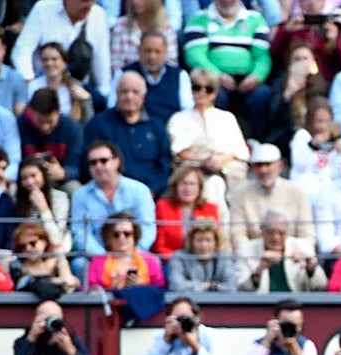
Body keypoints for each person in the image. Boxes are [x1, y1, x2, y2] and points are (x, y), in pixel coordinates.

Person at [181, 0, 273, 135]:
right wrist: (217, 75)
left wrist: (256, 76)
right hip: (213, 79)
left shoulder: (256, 19)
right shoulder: (199, 18)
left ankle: (256, 141)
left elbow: (263, 57)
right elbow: (194, 55)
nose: (227, 1)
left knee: (263, 95)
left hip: (247, 79)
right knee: (211, 94)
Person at [165, 67, 250, 204]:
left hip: (225, 165)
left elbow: (240, 151)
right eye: (197, 87)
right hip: (193, 165)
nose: (202, 92)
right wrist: (203, 160)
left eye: (208, 89)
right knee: (211, 185)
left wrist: (220, 160)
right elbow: (178, 152)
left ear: (215, 93)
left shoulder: (227, 117)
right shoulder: (179, 118)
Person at [81, 70, 173, 197]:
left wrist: (151, 190)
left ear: (143, 96)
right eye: (124, 91)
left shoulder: (156, 126)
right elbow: (89, 163)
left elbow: (164, 165)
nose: (129, 96)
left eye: (135, 92)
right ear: (117, 94)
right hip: (109, 194)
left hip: (151, 196)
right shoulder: (98, 124)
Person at [70, 140, 157, 265]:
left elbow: (148, 227)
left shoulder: (140, 190)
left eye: (104, 160)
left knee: (154, 262)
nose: (98, 166)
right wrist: (104, 258)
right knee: (79, 265)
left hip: (134, 254)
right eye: (93, 163)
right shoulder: (80, 195)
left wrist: (132, 253)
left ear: (117, 162)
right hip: (97, 256)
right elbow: (81, 233)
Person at [13, 0, 112, 104]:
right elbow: (21, 51)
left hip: (78, 93)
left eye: (92, 1)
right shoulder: (43, 9)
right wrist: (31, 85)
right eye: (83, 1)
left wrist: (102, 97)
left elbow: (102, 65)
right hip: (43, 89)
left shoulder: (99, 15)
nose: (89, 6)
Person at [228, 142, 316, 250]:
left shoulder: (296, 192)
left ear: (280, 166)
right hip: (254, 256)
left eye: (268, 164)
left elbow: (307, 234)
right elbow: (238, 234)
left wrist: (292, 252)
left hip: (292, 255)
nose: (263, 170)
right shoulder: (241, 193)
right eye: (258, 165)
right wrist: (254, 254)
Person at [239, 209, 327, 292]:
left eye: (281, 233)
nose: (275, 237)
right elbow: (240, 288)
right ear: (262, 230)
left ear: (288, 232)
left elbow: (321, 285)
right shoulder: (247, 249)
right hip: (262, 304)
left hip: (294, 303)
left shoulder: (303, 246)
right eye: (270, 232)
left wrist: (309, 264)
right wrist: (260, 269)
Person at [115, 32, 191, 126]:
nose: (152, 56)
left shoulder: (180, 76)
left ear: (166, 52)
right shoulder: (123, 74)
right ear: (139, 51)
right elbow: (113, 107)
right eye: (147, 51)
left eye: (157, 51)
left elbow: (187, 111)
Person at [139, 295, 222, 355]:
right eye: (178, 319)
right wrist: (166, 341)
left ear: (197, 318)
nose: (181, 324)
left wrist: (196, 346)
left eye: (186, 318)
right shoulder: (163, 336)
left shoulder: (209, 335)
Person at [18, 88, 83, 191]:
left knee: (74, 188)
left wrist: (63, 173)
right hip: (28, 178)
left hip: (59, 179)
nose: (45, 127)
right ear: (32, 112)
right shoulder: (20, 125)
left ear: (58, 112)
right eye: (40, 121)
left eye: (50, 122)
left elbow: (76, 166)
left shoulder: (72, 129)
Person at [13, 298, 100, 355]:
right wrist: (32, 338)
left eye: (56, 319)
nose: (51, 323)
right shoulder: (24, 341)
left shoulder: (72, 341)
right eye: (47, 319)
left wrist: (71, 350)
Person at [152, 164, 222, 259]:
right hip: (171, 260)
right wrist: (179, 261)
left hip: (204, 261)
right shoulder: (163, 206)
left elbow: (216, 244)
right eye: (184, 183)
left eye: (192, 184)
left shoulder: (210, 209)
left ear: (200, 187)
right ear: (175, 186)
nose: (188, 189)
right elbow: (159, 246)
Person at [86, 212, 165, 290]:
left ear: (135, 236)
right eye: (116, 234)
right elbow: (89, 292)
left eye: (127, 234)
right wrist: (110, 290)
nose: (121, 238)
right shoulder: (98, 261)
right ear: (108, 237)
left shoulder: (149, 259)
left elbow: (160, 288)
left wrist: (143, 286)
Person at [245, 298, 320, 355]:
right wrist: (267, 341)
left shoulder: (306, 345)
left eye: (296, 326)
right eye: (286, 325)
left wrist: (294, 347)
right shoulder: (257, 345)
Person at [290, 97, 341, 193]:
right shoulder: (302, 135)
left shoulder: (336, 139)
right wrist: (312, 146)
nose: (323, 126)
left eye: (327, 121)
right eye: (319, 121)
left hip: (329, 190)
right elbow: (299, 165)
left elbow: (337, 172)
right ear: (310, 120)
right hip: (304, 188)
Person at [28, 42, 94, 124]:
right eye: (45, 60)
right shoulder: (34, 86)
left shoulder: (74, 86)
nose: (49, 63)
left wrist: (86, 100)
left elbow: (89, 121)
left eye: (54, 59)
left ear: (64, 62)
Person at [10, 220, 78, 297]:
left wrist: (61, 258)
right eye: (23, 246)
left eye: (33, 243)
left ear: (44, 242)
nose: (28, 248)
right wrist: (58, 281)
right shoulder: (17, 266)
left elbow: (69, 283)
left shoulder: (55, 262)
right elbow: (22, 284)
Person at [167, 220, 239, 292]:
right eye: (199, 240)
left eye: (208, 240)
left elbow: (231, 286)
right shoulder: (179, 257)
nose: (203, 245)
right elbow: (175, 285)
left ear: (216, 242)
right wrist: (205, 285)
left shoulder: (224, 257)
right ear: (191, 242)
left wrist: (211, 286)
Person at [110, 0, 179, 73]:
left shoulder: (166, 27)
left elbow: (171, 62)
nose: (135, 2)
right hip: (129, 79)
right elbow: (116, 64)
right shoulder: (121, 26)